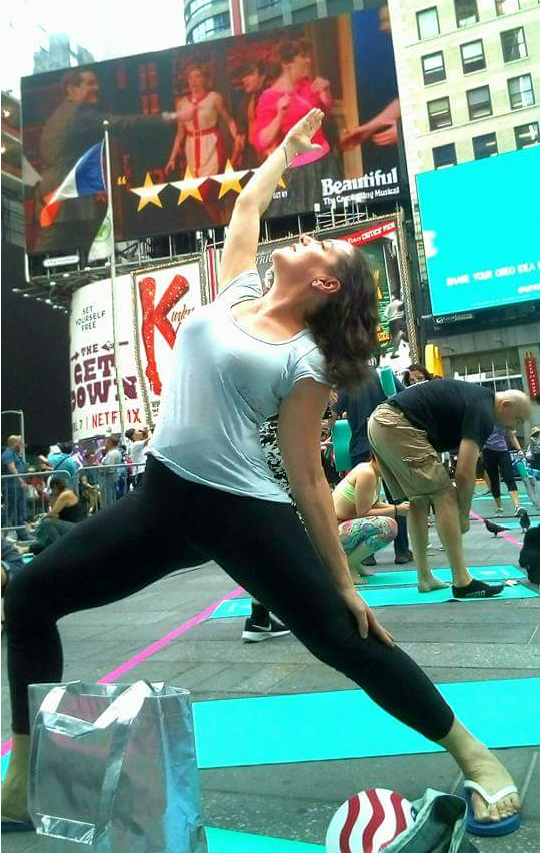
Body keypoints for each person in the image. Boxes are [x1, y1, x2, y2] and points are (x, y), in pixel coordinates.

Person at [2, 112, 521, 834]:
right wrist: (283, 148)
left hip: (244, 511)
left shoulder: (304, 360)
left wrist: (342, 581)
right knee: (28, 598)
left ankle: (476, 758)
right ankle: (26, 776)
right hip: (162, 497)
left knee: (344, 638)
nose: (303, 238)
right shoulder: (237, 294)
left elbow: (308, 477)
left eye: (322, 246)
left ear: (328, 286)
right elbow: (247, 205)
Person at [368, 380, 531, 598]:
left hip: (380, 422)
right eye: (518, 419)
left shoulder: (476, 399)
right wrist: (463, 515)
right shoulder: (484, 410)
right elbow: (465, 472)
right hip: (397, 424)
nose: (515, 426)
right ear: (506, 405)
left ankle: (424, 577)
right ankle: (462, 580)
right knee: (443, 493)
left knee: (419, 500)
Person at [32, 69, 182, 256]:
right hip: (70, 192)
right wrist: (167, 117)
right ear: (72, 89)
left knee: (64, 244)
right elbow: (120, 123)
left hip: (54, 189)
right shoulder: (79, 113)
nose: (97, 88)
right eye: (90, 83)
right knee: (73, 243)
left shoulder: (56, 116)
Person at [252, 41, 340, 212]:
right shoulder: (268, 97)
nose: (309, 61)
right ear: (287, 63)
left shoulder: (307, 86)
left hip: (326, 163)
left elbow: (325, 112)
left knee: (335, 217)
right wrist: (279, 115)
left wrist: (326, 93)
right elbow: (262, 141)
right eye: (303, 57)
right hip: (299, 173)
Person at [334, 371, 412, 564]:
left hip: (360, 446)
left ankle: (366, 553)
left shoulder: (347, 382)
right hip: (385, 444)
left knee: (361, 500)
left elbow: (336, 412)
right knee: (397, 498)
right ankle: (401, 551)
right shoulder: (385, 376)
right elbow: (405, 399)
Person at [165, 64, 243, 177]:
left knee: (210, 184)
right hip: (191, 147)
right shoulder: (181, 104)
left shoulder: (214, 98)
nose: (194, 81)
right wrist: (172, 158)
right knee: (197, 186)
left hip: (211, 146)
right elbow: (180, 133)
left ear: (204, 79)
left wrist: (237, 139)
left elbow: (229, 121)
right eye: (190, 78)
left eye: (197, 76)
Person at [333, 458, 401, 582]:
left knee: (387, 519)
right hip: (335, 530)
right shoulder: (367, 474)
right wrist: (396, 509)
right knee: (388, 526)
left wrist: (399, 508)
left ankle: (355, 562)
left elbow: (374, 504)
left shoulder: (374, 473)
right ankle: (349, 566)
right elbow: (363, 512)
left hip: (341, 527)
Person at [33, 476, 86, 550]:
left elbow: (53, 513)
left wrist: (42, 517)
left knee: (47, 522)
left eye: (52, 489)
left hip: (76, 527)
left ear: (55, 486)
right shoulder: (65, 493)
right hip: (72, 525)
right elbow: (56, 516)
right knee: (47, 539)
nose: (52, 492)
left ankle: (59, 548)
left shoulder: (65, 494)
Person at [482, 427, 523, 516]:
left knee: (509, 478)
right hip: (488, 452)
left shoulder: (503, 419)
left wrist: (519, 449)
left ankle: (517, 506)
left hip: (503, 452)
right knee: (494, 480)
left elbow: (511, 436)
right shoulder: (484, 418)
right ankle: (499, 508)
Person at [1, 436, 28, 531]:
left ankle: (22, 535)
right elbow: (11, 467)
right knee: (9, 510)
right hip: (12, 486)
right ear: (15, 443)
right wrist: (21, 481)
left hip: (17, 487)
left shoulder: (15, 454)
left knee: (20, 511)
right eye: (21, 443)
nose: (22, 446)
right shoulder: (8, 454)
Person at [99, 436, 123, 508]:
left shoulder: (112, 453)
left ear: (110, 442)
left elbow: (107, 467)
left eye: (106, 442)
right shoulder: (113, 452)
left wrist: (98, 465)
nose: (105, 443)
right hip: (110, 477)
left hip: (109, 477)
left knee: (107, 498)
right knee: (108, 497)